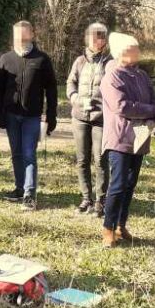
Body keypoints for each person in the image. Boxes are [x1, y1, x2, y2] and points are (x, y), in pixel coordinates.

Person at [99, 33, 155, 248]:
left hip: (140, 136)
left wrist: (153, 112)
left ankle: (121, 225)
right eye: (133, 49)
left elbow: (154, 98)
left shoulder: (142, 75)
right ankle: (108, 228)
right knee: (118, 185)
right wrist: (152, 111)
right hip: (120, 138)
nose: (138, 52)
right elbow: (122, 106)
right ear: (121, 53)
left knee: (130, 184)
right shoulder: (112, 76)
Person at [0, 21, 58, 211]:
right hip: (11, 115)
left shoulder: (42, 59)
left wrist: (51, 115)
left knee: (29, 154)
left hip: (32, 116)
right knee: (16, 154)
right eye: (17, 35)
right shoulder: (5, 59)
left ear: (32, 34)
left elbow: (52, 89)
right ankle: (20, 188)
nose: (20, 39)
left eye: (24, 35)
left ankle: (30, 194)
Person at [66, 22, 112, 217]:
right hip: (80, 118)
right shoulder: (79, 61)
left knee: (100, 160)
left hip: (101, 119)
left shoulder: (111, 62)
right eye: (92, 36)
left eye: (99, 36)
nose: (95, 40)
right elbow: (71, 82)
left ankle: (101, 200)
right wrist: (75, 98)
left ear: (104, 40)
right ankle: (86, 198)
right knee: (82, 159)